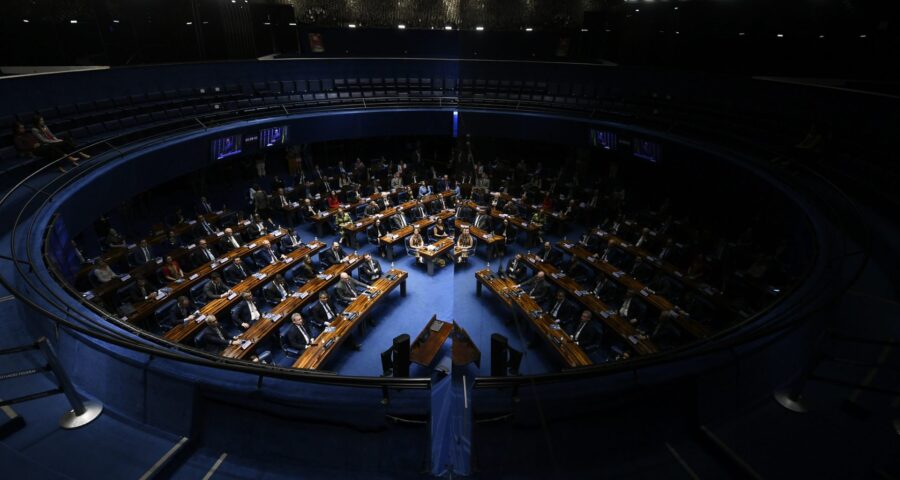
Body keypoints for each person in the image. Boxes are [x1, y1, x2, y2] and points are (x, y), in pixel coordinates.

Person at [12, 122, 78, 171]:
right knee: (51, 148)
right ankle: (69, 158)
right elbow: (20, 148)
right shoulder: (17, 138)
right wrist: (32, 146)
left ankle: (60, 166)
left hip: (41, 147)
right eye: (21, 128)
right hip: (34, 151)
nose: (23, 129)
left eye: (23, 127)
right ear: (16, 129)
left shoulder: (28, 134)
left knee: (53, 149)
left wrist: (38, 143)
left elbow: (36, 140)